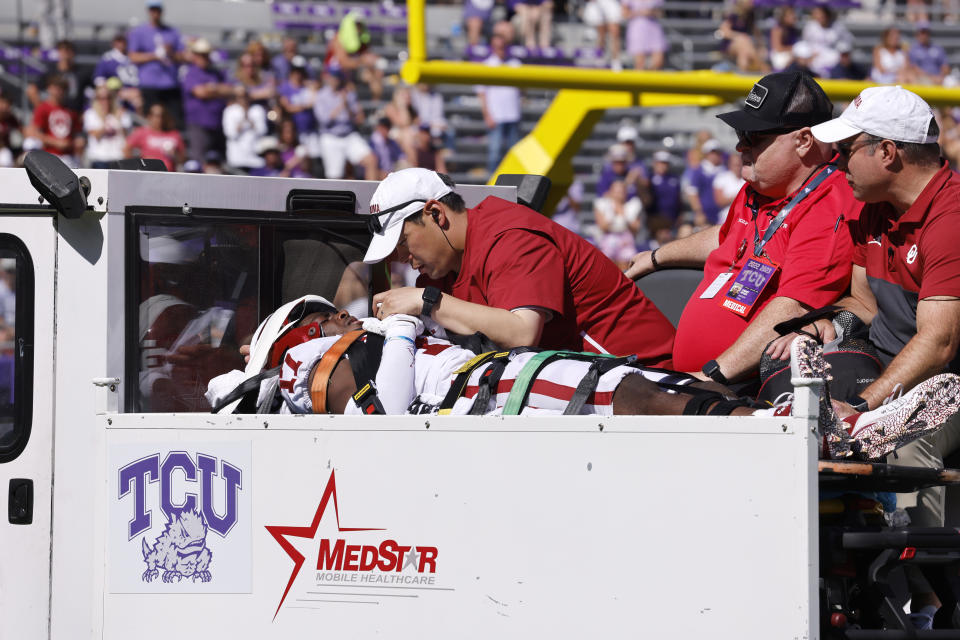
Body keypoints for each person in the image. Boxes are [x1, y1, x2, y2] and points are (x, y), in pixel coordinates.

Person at [206, 302, 960, 468]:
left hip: (502, 380)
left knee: (652, 392)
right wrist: (402, 332)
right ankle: (801, 425)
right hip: (489, 397)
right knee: (643, 404)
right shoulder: (312, 368)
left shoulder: (342, 343)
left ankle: (807, 418)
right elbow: (391, 421)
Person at [769, 86, 960, 533]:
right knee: (781, 405)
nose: (836, 162)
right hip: (898, 372)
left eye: (846, 150)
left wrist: (859, 406)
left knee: (899, 443)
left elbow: (939, 344)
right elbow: (863, 302)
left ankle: (922, 595)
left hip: (947, 382)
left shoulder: (950, 220)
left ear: (888, 152)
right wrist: (822, 327)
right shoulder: (875, 209)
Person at [625, 71, 860, 388]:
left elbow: (794, 305)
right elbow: (726, 237)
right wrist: (656, 257)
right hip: (695, 378)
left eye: (754, 137)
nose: (740, 147)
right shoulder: (762, 188)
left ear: (804, 141)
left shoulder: (829, 202)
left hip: (741, 386)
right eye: (740, 134)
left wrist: (709, 377)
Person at [362, 168, 676, 362]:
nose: (402, 259)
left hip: (651, 382)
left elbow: (521, 332)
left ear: (436, 214)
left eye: (402, 242)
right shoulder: (442, 269)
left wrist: (425, 302)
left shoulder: (512, 236)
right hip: (595, 389)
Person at [127, 0, 184, 126]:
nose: (155, 13)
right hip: (149, 84)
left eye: (157, 10)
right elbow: (133, 57)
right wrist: (154, 56)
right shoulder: (139, 32)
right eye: (152, 9)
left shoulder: (172, 32)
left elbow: (183, 56)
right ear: (148, 11)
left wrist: (171, 53)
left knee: (173, 121)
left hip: (170, 84)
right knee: (150, 121)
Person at [313, 67, 377, 180]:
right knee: (335, 177)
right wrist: (340, 106)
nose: (334, 80)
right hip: (330, 137)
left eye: (337, 77)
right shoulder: (321, 95)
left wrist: (346, 105)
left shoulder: (349, 94)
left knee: (371, 160)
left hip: (349, 135)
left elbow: (358, 119)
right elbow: (323, 120)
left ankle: (372, 196)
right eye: (332, 77)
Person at [182, 38, 235, 163]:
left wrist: (212, 89)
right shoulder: (191, 73)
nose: (204, 58)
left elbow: (230, 90)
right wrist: (217, 90)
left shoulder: (216, 73)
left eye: (206, 54)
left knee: (218, 161)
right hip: (199, 123)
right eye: (201, 55)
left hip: (217, 122)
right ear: (195, 56)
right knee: (199, 160)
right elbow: (201, 93)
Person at [478, 30, 522, 175]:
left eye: (502, 46)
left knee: (514, 154)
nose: (500, 50)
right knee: (495, 154)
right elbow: (482, 93)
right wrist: (487, 115)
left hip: (513, 115)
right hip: (496, 116)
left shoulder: (515, 64)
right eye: (497, 46)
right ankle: (493, 185)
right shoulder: (487, 65)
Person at [26, 74, 83, 164]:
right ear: (49, 89)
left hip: (69, 156)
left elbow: (76, 133)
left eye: (62, 88)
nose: (59, 92)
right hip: (49, 155)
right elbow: (34, 133)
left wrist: (76, 142)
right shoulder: (42, 108)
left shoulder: (71, 110)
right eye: (56, 88)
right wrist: (56, 142)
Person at [593, 180, 644, 269]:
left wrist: (624, 214)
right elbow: (602, 226)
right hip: (608, 240)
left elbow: (636, 229)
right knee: (607, 266)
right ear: (610, 192)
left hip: (626, 241)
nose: (619, 194)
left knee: (626, 267)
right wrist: (612, 212)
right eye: (616, 191)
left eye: (621, 191)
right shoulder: (602, 205)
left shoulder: (632, 206)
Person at [125, 103, 184, 171]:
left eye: (162, 115)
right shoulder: (142, 132)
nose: (160, 119)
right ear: (149, 117)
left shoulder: (174, 134)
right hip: (148, 173)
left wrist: (174, 155)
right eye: (156, 116)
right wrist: (139, 164)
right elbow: (126, 149)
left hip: (169, 174)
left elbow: (182, 158)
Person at [83, 84, 131, 168]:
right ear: (96, 99)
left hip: (117, 158)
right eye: (101, 98)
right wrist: (104, 119)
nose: (105, 101)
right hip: (99, 158)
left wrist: (119, 120)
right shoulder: (90, 114)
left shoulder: (121, 114)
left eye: (108, 97)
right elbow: (95, 135)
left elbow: (127, 137)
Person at [222, 87, 267, 172]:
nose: (243, 99)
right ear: (236, 98)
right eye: (240, 96)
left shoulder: (257, 110)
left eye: (245, 96)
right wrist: (241, 123)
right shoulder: (230, 111)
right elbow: (230, 134)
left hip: (255, 158)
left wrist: (251, 122)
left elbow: (263, 131)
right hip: (237, 158)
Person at [801, 5, 852, 78]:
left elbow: (847, 40)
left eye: (821, 14)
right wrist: (809, 55)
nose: (819, 17)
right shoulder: (810, 26)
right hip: (814, 59)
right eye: (817, 14)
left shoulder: (837, 26)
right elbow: (805, 44)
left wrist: (843, 54)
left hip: (834, 59)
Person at [625, 0, 668, 71]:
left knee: (658, 62)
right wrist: (640, 12)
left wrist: (651, 13)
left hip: (654, 28)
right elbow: (624, 13)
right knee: (639, 63)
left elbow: (662, 13)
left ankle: (651, 80)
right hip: (637, 29)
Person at [583, 0, 624, 69]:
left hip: (612, 3)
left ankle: (615, 61)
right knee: (601, 34)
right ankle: (600, 57)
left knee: (615, 34)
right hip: (598, 3)